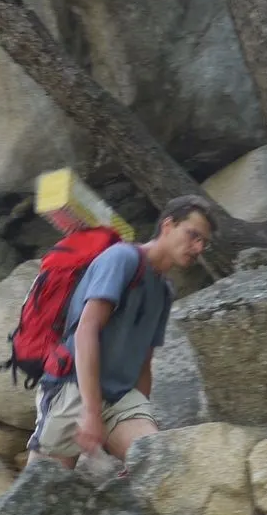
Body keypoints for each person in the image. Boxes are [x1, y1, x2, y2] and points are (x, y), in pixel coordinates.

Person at [27, 195, 216, 468]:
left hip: (120, 397)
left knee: (156, 466)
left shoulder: (164, 291)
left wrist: (144, 413)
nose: (198, 247)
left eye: (204, 243)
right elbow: (86, 331)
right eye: (192, 235)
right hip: (73, 388)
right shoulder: (122, 258)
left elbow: (144, 363)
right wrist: (91, 412)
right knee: (38, 495)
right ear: (167, 226)